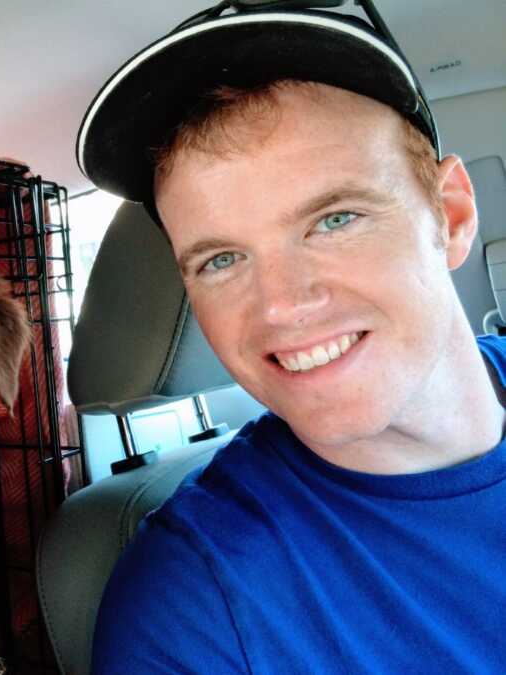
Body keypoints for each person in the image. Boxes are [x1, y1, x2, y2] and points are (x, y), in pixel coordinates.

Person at [75, 3, 506, 673]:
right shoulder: (195, 606)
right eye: (220, 259)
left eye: (334, 219)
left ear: (449, 215)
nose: (280, 306)